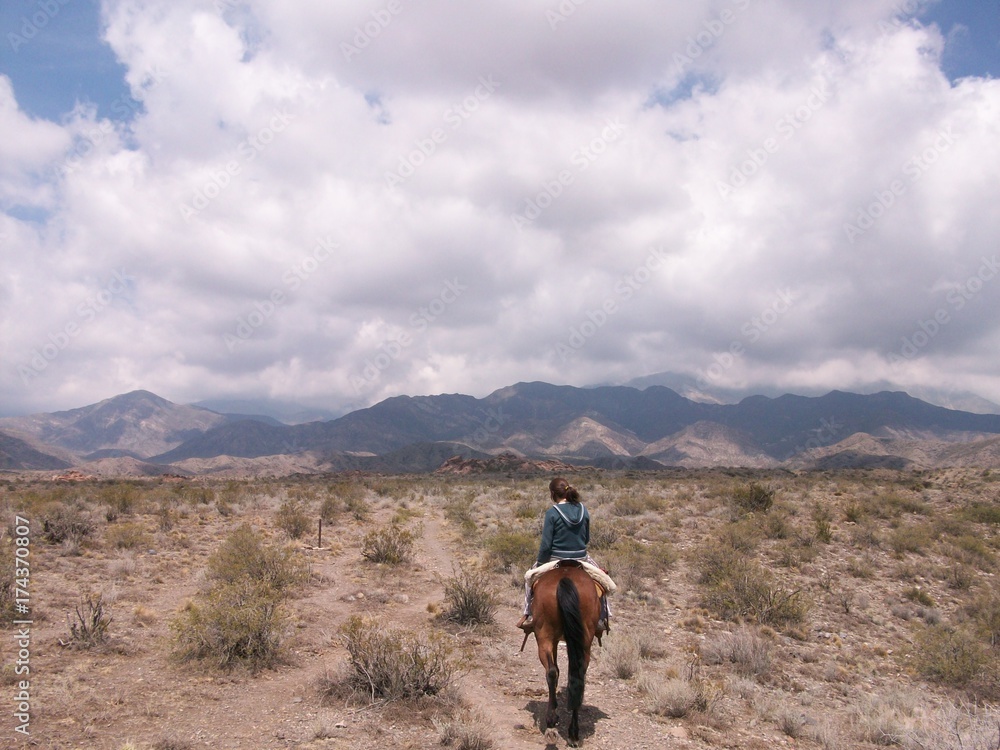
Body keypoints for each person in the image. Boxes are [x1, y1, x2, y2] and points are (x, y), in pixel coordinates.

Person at [517, 477, 611, 634]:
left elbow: (546, 545)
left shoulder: (552, 513)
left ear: (553, 494)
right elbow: (586, 539)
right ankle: (602, 618)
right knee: (603, 581)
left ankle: (528, 614)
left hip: (556, 559)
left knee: (529, 578)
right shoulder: (583, 509)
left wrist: (540, 563)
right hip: (581, 558)